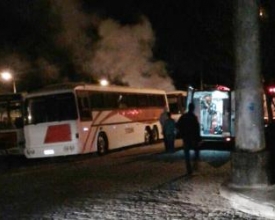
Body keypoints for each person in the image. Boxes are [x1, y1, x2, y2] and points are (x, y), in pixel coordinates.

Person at [177, 103, 201, 175]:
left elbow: (178, 125)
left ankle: (189, 169)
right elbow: (197, 128)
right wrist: (198, 138)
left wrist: (182, 132)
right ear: (193, 109)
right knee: (196, 150)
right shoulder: (193, 117)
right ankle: (195, 164)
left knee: (186, 154)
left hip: (186, 137)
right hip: (193, 137)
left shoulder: (183, 116)